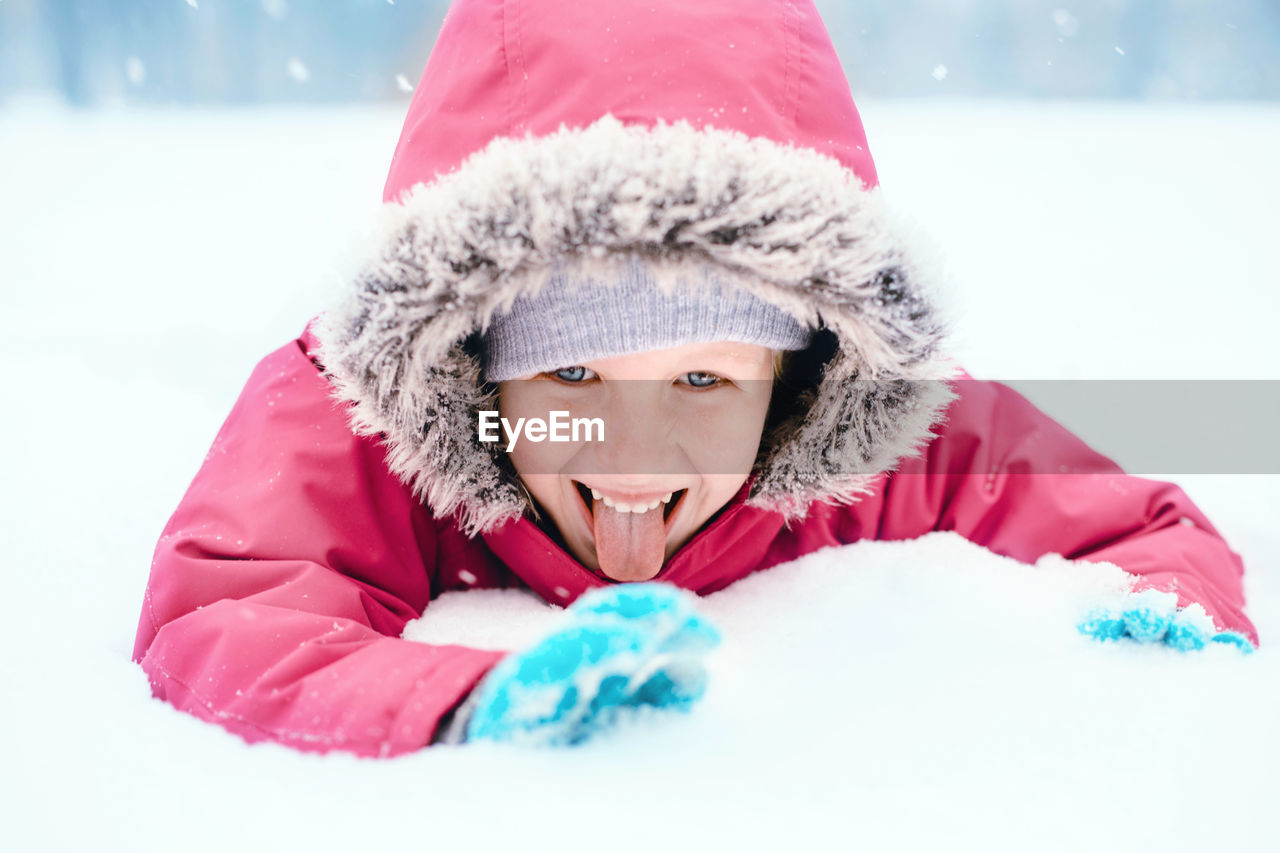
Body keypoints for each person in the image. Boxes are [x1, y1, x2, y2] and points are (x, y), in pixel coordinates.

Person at [132, 0, 1258, 758]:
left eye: (704, 383)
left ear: (796, 376)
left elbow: (1135, 526)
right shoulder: (365, 427)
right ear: (469, 364)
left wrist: (1148, 643)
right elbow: (234, 612)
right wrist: (465, 705)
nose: (635, 450)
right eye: (571, 372)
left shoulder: (860, 444)